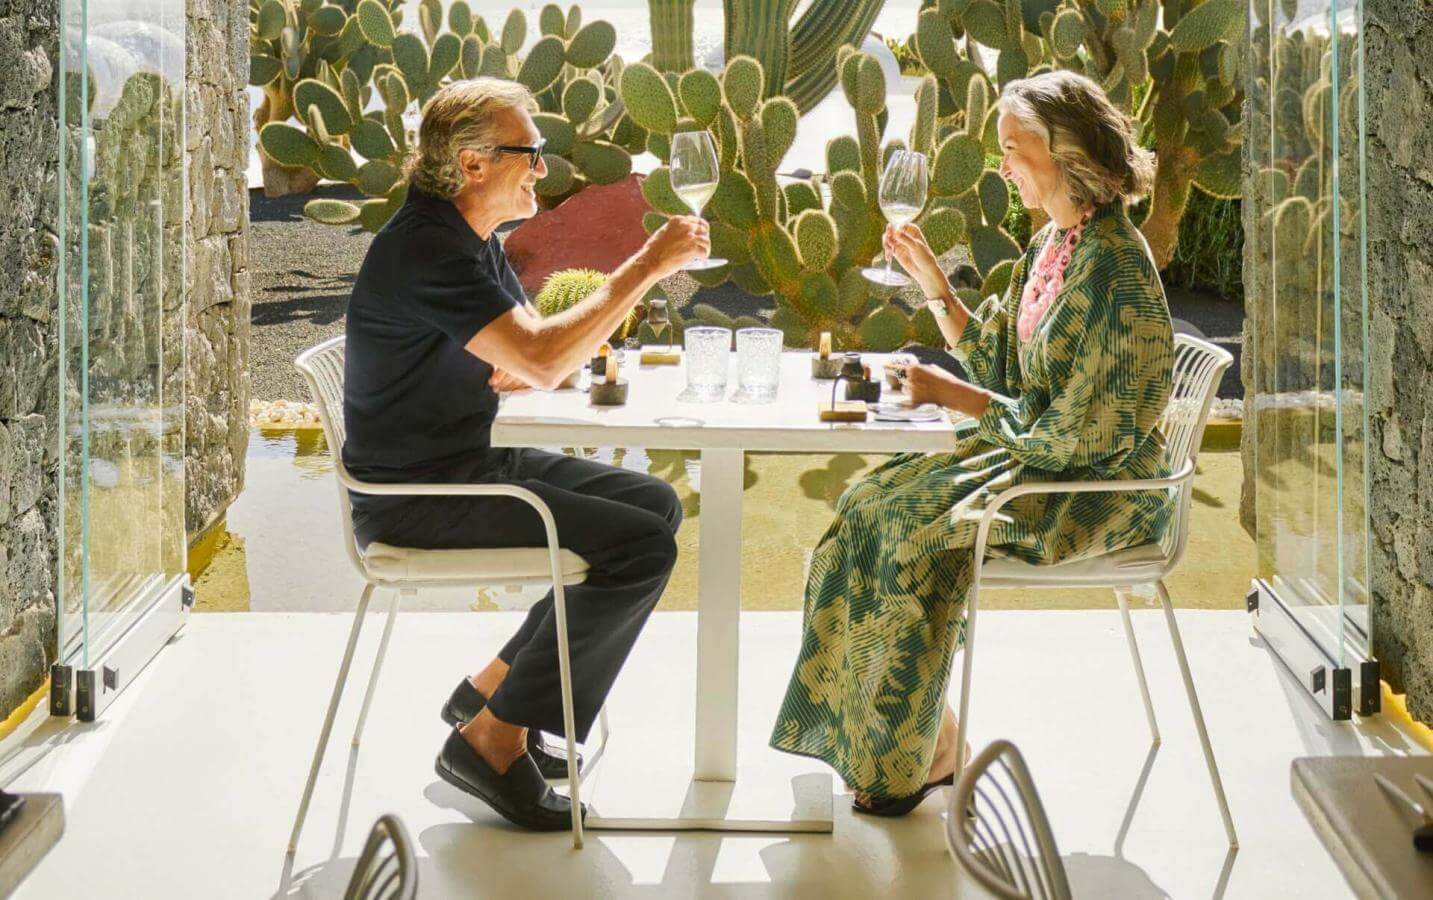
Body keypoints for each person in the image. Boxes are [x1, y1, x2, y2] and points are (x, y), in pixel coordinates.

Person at [769, 70, 1176, 816]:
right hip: (1042, 462)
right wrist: (933, 283)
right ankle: (923, 738)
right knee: (865, 502)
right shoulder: (1061, 243)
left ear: (1068, 155)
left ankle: (918, 756)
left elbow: (1077, 436)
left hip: (1093, 493)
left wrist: (954, 397)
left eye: (1013, 149)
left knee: (911, 532)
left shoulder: (1114, 270)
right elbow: (1002, 364)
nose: (1002, 165)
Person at [341, 78, 709, 830]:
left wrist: (535, 354)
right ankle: (490, 740)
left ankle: (489, 689)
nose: (542, 168)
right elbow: (540, 363)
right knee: (637, 547)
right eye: (529, 154)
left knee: (654, 504)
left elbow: (525, 357)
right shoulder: (427, 250)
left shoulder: (469, 240)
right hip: (419, 494)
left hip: (460, 462)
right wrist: (646, 266)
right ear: (473, 164)